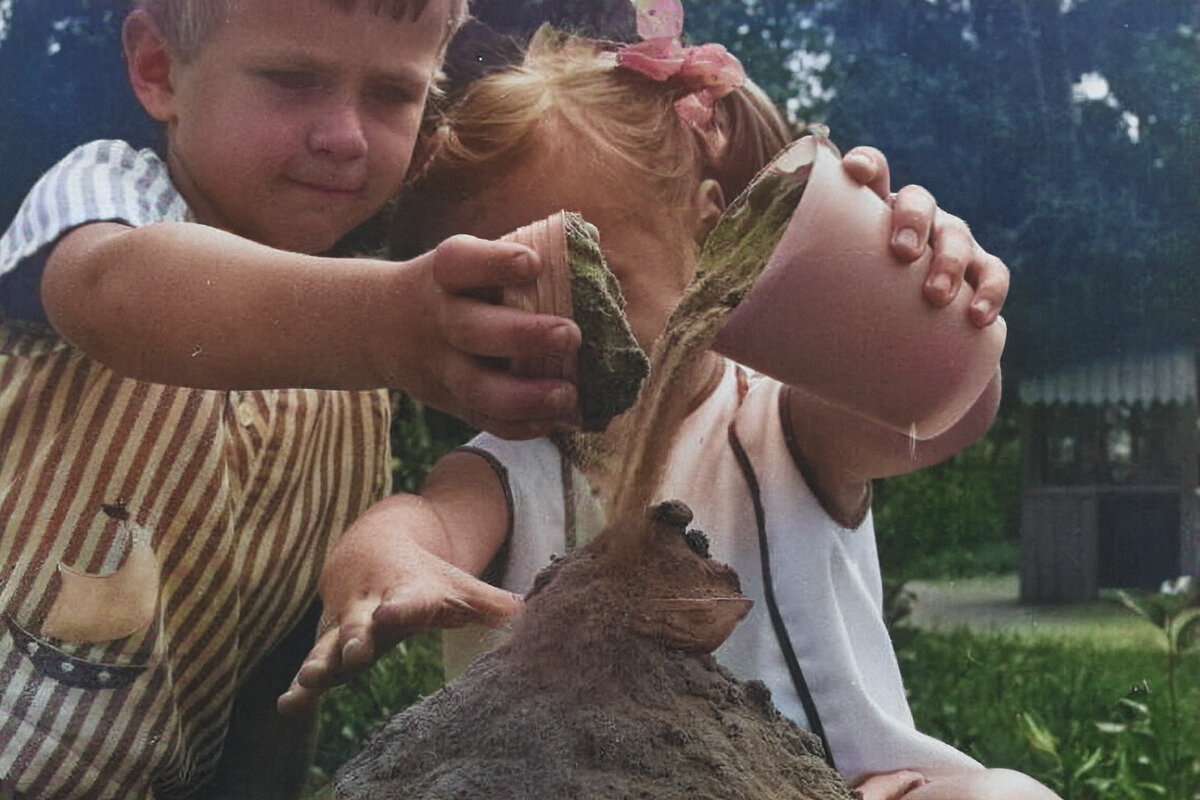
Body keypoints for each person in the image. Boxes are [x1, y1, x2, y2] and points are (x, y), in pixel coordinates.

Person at [284, 23, 1062, 800]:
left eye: (593, 278)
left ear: (707, 226)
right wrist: (387, 571)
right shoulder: (512, 466)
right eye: (494, 298)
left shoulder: (785, 428)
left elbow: (938, 418)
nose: (550, 329)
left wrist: (936, 290)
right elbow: (420, 521)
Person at [0, 1, 587, 798]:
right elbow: (111, 286)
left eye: (390, 94)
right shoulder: (112, 191)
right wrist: (387, 326)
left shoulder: (353, 397)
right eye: (291, 79)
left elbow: (282, 673)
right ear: (158, 70)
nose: (344, 134)